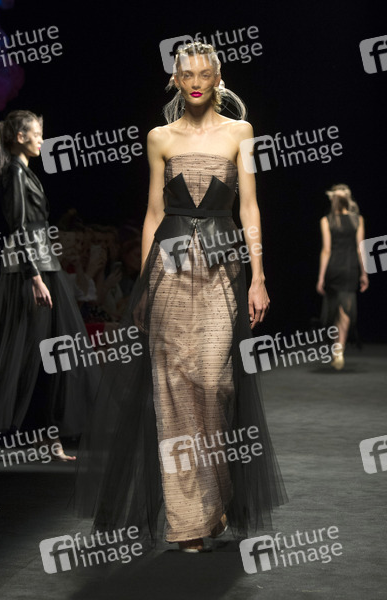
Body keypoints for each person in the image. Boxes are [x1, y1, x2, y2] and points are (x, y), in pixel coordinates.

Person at [76, 42, 286, 553]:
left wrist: (258, 276)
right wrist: (144, 284)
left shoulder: (240, 132)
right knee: (172, 388)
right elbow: (153, 212)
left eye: (203, 74)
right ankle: (189, 521)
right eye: (186, 74)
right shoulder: (159, 138)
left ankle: (215, 497)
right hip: (168, 272)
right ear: (175, 79)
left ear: (217, 78)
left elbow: (250, 209)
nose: (195, 82)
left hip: (221, 272)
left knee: (214, 384)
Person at [0, 110, 99, 458]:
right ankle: (35, 435)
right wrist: (34, 277)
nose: (41, 140)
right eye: (36, 134)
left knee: (50, 352)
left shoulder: (23, 172)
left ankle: (47, 438)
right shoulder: (14, 174)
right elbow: (18, 228)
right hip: (30, 272)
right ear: (20, 137)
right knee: (23, 354)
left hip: (43, 266)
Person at [316, 184, 369, 369]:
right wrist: (364, 273)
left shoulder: (326, 220)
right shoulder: (358, 220)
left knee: (334, 309)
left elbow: (326, 250)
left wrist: (321, 277)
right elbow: (360, 249)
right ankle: (339, 350)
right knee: (346, 309)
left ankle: (335, 348)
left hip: (334, 268)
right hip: (350, 268)